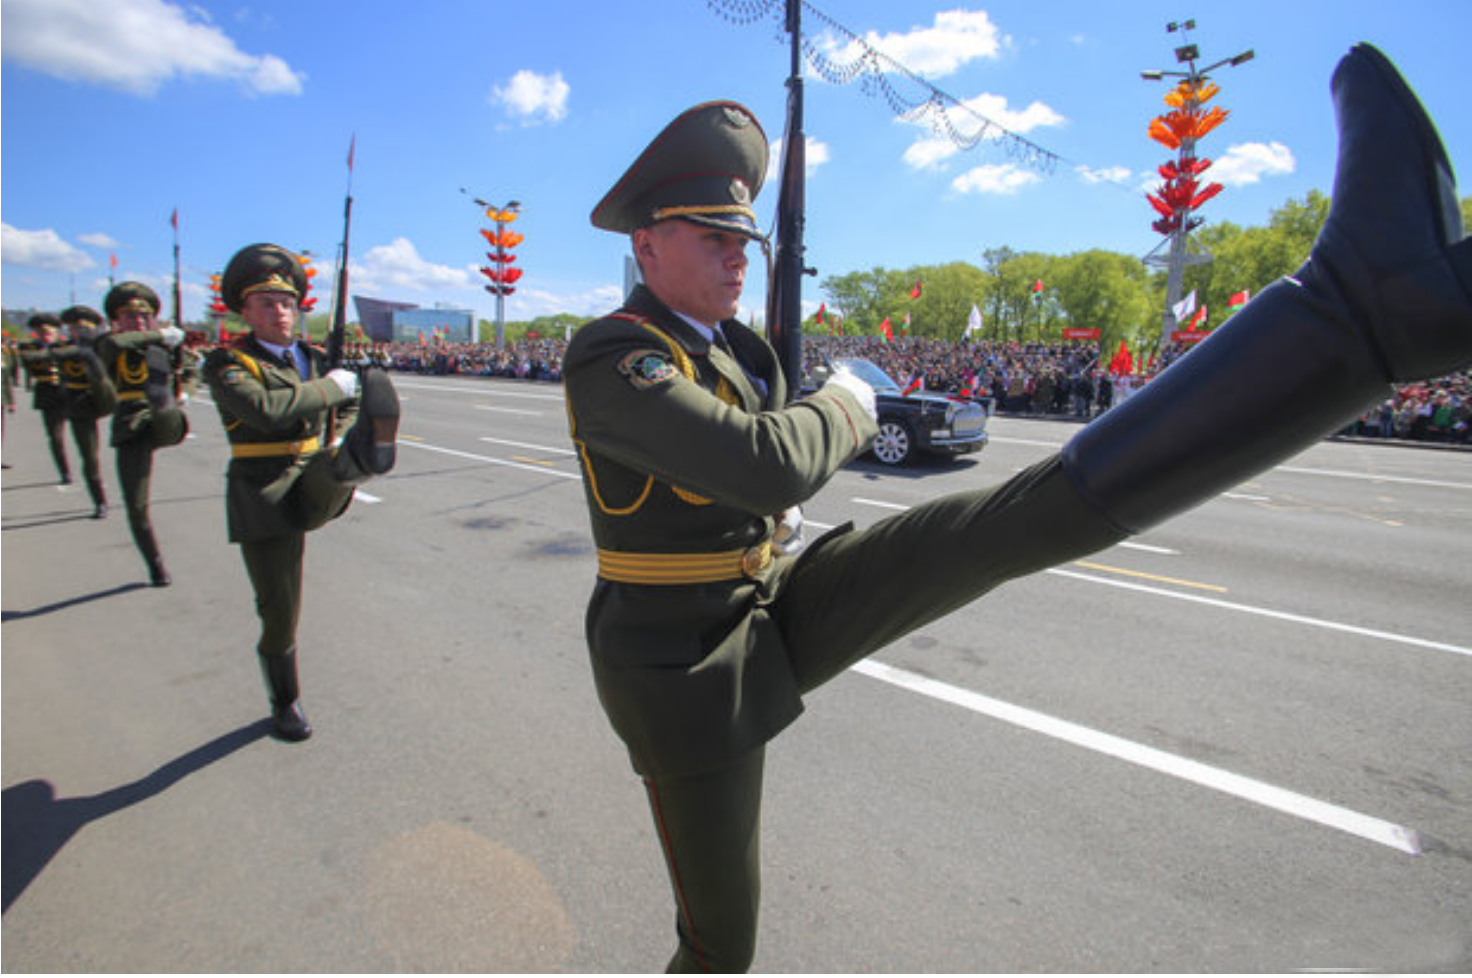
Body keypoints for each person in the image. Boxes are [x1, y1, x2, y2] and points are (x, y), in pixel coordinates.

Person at [561, 43, 1472, 972]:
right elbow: (764, 466)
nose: (738, 258)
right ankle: (1367, 310)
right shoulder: (612, 354)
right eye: (714, 237)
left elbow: (760, 486)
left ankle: (1358, 321)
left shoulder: (742, 353)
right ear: (647, 242)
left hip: (767, 600)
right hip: (683, 661)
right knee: (721, 943)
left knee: (999, 528)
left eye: (744, 240)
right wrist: (847, 400)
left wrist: (788, 493)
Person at [202, 243, 400, 742]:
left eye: (286, 302)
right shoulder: (228, 363)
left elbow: (346, 403)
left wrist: (345, 420)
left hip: (314, 472)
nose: (279, 311)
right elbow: (268, 410)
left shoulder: (314, 359)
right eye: (266, 302)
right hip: (264, 493)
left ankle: (363, 455)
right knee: (279, 608)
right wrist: (335, 389)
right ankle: (284, 699)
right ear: (244, 311)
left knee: (336, 463)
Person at [95, 283, 190, 586]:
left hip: (163, 419)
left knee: (165, 409)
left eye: (144, 316)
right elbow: (111, 348)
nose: (137, 321)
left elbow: (189, 371)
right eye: (129, 316)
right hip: (130, 424)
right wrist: (160, 334)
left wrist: (184, 391)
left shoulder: (163, 347)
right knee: (136, 505)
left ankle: (165, 405)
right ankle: (156, 564)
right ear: (116, 321)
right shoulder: (108, 345)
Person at [57, 305, 118, 518]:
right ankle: (100, 501)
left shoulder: (102, 348)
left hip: (107, 398)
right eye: (76, 329)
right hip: (80, 405)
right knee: (90, 456)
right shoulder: (64, 350)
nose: (80, 333)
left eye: (85, 329)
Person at [16, 313, 75, 485]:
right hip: (48, 395)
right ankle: (65, 471)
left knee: (84, 436)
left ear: (57, 332)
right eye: (42, 333)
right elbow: (28, 359)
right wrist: (52, 352)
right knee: (56, 437)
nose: (46, 336)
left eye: (49, 333)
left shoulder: (67, 345)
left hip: (69, 392)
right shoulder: (30, 347)